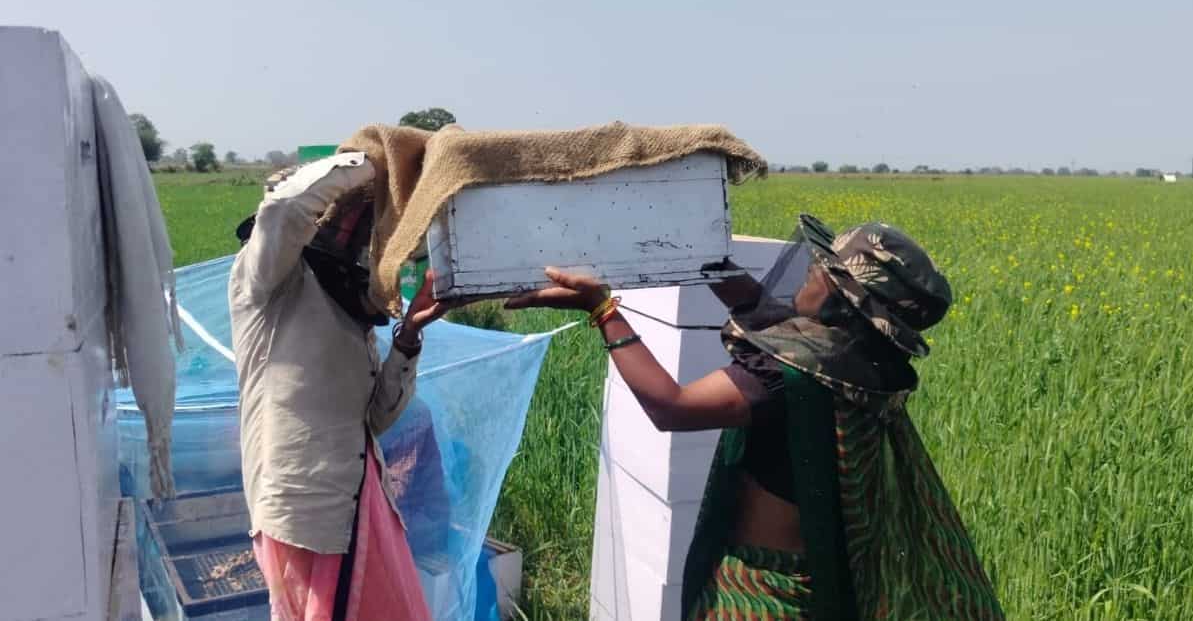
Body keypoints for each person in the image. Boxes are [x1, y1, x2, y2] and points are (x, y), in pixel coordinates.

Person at [506, 214, 1005, 620]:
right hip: (804, 571)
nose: (811, 269)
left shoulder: (792, 374)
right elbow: (767, 315)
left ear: (846, 304)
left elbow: (671, 407)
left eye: (823, 272)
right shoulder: (861, 360)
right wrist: (700, 255)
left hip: (763, 585)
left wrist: (602, 309)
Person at [230, 152, 462, 620]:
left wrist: (410, 335)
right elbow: (284, 211)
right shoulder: (267, 284)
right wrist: (378, 162)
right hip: (304, 509)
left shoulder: (349, 310)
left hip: (360, 500)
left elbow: (374, 417)